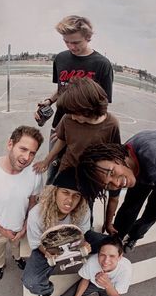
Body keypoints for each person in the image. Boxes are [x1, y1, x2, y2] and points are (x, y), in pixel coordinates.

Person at [76, 130, 156, 278]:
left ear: (117, 157)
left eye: (112, 173)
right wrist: (109, 224)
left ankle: (134, 236)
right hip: (142, 171)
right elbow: (114, 194)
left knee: (152, 214)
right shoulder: (125, 162)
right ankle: (117, 239)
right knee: (129, 208)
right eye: (108, 185)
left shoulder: (155, 159)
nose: (117, 183)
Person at [34, 15, 113, 183]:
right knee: (54, 172)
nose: (71, 47)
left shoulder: (102, 65)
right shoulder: (61, 58)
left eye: (76, 42)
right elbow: (61, 88)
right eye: (66, 42)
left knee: (80, 176)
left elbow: (103, 105)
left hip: (85, 132)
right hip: (58, 128)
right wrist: (48, 101)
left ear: (88, 37)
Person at [22, 167, 105, 296]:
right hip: (48, 247)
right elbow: (36, 243)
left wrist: (83, 245)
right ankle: (45, 292)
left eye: (76, 195)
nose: (70, 200)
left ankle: (98, 271)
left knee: (110, 244)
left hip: (73, 241)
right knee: (30, 281)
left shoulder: (83, 209)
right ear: (55, 192)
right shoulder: (37, 214)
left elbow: (83, 233)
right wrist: (48, 253)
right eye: (65, 192)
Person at [0, 125, 44, 280]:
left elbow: (33, 202)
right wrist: (3, 231)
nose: (26, 158)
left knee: (16, 248)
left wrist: (25, 226)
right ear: (10, 144)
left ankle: (17, 259)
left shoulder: (34, 174)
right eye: (23, 149)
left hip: (19, 229)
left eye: (32, 153)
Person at [33, 77, 120, 176]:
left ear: (88, 108)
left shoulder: (112, 124)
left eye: (75, 114)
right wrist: (46, 161)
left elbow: (115, 153)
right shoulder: (68, 118)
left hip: (92, 174)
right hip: (67, 169)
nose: (73, 118)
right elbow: (62, 140)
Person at [50, 235, 132, 296]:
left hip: (110, 289)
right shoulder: (92, 261)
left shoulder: (125, 269)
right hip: (92, 283)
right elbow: (85, 280)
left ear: (120, 257)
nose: (106, 261)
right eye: (102, 255)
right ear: (98, 254)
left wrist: (107, 285)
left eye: (112, 256)